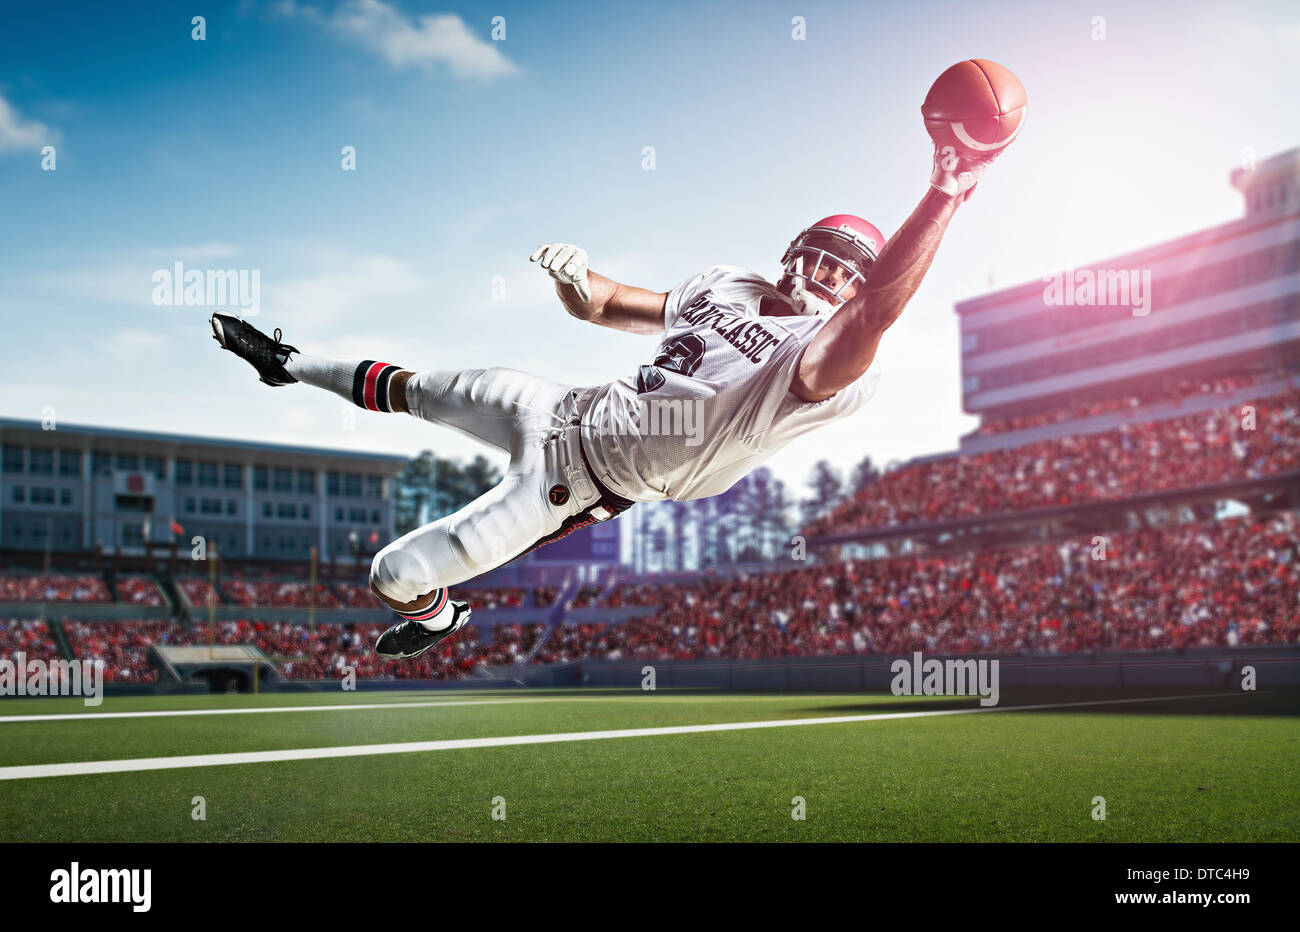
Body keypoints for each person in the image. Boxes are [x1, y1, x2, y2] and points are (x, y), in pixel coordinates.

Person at [209, 143, 1003, 659]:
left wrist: (945, 191)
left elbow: (874, 316)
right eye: (823, 258)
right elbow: (605, 305)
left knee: (394, 571)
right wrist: (576, 277)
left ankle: (437, 618)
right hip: (563, 406)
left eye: (847, 271)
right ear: (796, 250)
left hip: (582, 484)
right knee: (421, 388)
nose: (829, 276)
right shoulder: (727, 282)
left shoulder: (824, 367)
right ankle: (288, 362)